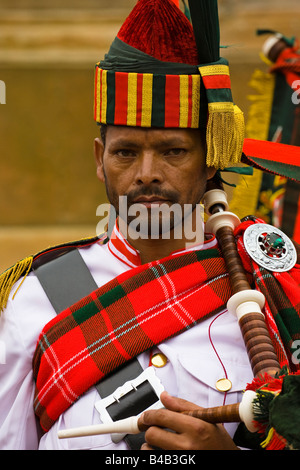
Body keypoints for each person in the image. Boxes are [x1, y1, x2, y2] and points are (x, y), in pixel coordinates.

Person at [0, 0, 299, 451]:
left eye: (173, 151)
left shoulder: (274, 284)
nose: (146, 173)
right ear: (99, 159)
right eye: (125, 153)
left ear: (210, 159)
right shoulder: (38, 294)